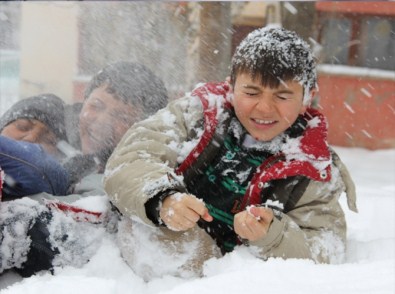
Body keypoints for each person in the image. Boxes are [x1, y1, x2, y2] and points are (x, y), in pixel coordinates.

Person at [103, 27, 358, 280]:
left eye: (282, 96)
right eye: (251, 92)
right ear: (231, 86)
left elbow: (327, 246)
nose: (265, 108)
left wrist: (273, 233)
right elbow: (131, 159)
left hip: (241, 279)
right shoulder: (196, 115)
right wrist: (163, 199)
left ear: (307, 98)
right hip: (165, 249)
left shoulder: (314, 166)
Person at [0, 61, 168, 277]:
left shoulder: (126, 175)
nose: (102, 122)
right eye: (96, 106)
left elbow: (70, 229)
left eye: (122, 117)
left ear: (142, 129)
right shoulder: (73, 150)